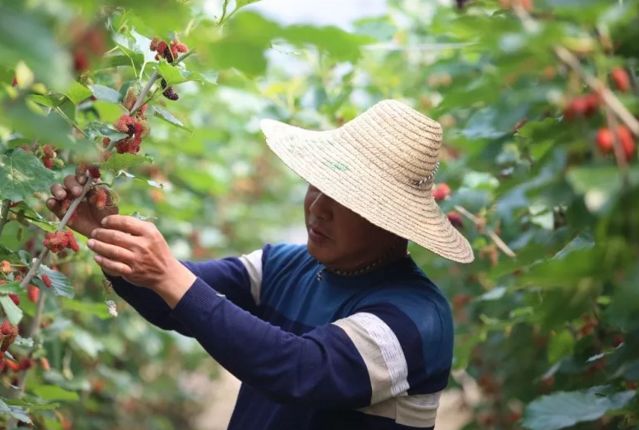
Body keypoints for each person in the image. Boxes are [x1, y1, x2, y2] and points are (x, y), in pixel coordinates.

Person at [47, 99, 474, 429]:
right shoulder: (285, 266)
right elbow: (171, 301)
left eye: (345, 200)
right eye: (317, 186)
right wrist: (110, 236)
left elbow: (300, 370)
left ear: (390, 220)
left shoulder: (416, 317)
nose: (318, 207)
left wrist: (168, 272)